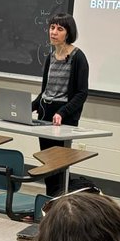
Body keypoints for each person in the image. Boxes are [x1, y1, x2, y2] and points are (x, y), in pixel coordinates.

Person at [33, 13, 90, 196]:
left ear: (68, 33)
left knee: (59, 165)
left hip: (63, 118)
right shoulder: (50, 57)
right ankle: (50, 204)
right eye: (52, 27)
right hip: (45, 115)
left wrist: (62, 113)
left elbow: (81, 93)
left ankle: (60, 206)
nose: (54, 32)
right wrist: (30, 106)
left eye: (60, 29)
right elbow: (45, 91)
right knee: (47, 162)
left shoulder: (78, 57)